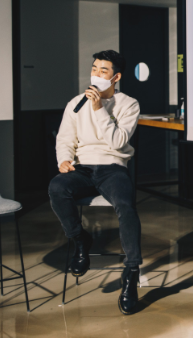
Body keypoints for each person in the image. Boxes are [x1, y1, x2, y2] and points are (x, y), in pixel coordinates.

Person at [49, 50, 143, 315]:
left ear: (116, 77)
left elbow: (117, 142)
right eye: (94, 69)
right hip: (82, 167)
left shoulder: (129, 104)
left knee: (126, 205)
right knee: (57, 187)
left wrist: (99, 108)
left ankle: (131, 272)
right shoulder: (75, 103)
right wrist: (64, 160)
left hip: (113, 168)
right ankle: (81, 241)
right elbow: (65, 138)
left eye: (103, 70)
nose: (96, 74)